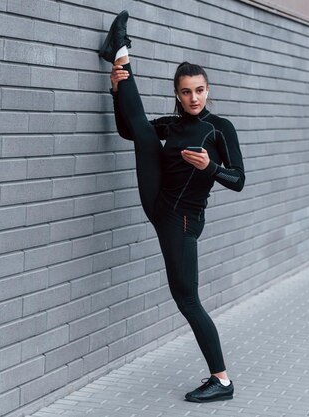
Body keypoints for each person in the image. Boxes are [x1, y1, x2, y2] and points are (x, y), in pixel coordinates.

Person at [98, 11, 245, 403]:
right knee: (146, 132)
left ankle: (222, 381)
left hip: (181, 220)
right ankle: (120, 56)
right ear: (177, 94)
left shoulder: (220, 129)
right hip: (160, 200)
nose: (194, 98)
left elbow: (239, 180)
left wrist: (211, 167)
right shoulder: (175, 125)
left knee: (188, 300)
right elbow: (130, 130)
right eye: (186, 92)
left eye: (199, 90)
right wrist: (117, 93)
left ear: (207, 91)